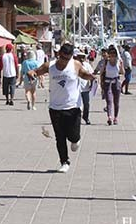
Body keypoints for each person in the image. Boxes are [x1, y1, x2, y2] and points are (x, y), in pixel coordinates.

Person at [28, 43, 96, 173]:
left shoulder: (75, 64)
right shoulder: (51, 66)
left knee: (74, 136)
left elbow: (83, 74)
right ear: (59, 55)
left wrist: (91, 77)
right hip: (55, 107)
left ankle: (75, 140)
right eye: (63, 58)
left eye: (68, 58)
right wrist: (32, 73)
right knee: (60, 136)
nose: (65, 61)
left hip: (73, 106)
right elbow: (36, 71)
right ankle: (64, 161)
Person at [100, 46, 125, 125]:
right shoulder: (106, 62)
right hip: (107, 82)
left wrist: (121, 66)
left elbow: (122, 72)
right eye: (110, 53)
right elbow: (101, 72)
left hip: (116, 82)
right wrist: (101, 83)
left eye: (114, 54)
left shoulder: (119, 61)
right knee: (109, 101)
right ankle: (109, 117)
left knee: (116, 102)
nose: (112, 55)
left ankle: (116, 118)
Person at [75, 51, 93, 125]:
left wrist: (92, 84)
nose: (81, 59)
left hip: (85, 88)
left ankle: (86, 117)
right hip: (76, 89)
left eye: (83, 57)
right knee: (77, 105)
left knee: (86, 104)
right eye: (80, 57)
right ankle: (77, 118)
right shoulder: (74, 65)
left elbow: (91, 75)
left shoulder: (87, 65)